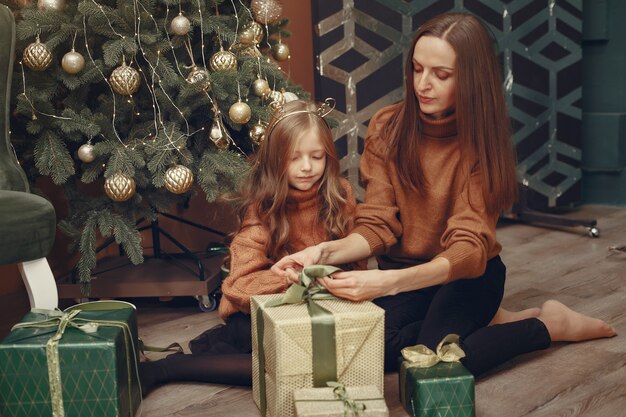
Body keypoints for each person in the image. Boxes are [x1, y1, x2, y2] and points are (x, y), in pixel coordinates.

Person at [272, 12, 616, 375]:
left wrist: (387, 284)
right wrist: (323, 250)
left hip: (466, 277)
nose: (423, 84)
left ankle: (549, 325)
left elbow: (468, 251)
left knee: (435, 364)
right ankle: (484, 322)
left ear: (469, 79)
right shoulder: (387, 126)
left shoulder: (482, 143)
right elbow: (377, 224)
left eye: (441, 74)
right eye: (417, 69)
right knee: (372, 351)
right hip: (406, 277)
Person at [138, 99, 363, 395]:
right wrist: (286, 278)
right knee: (281, 362)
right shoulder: (264, 207)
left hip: (320, 310)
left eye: (317, 156)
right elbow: (238, 286)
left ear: (329, 157)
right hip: (264, 313)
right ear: (274, 160)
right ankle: (168, 368)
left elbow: (356, 264)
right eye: (293, 158)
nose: (307, 167)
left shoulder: (340, 194)